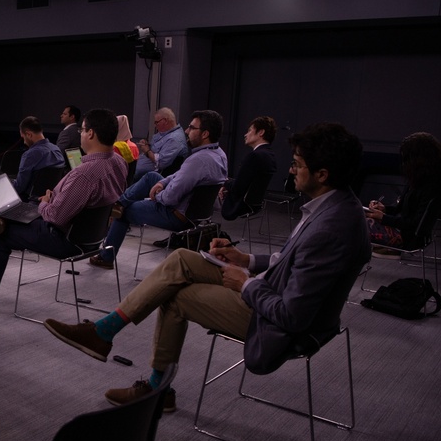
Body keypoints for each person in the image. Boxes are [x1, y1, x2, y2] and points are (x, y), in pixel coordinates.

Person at [43, 122, 371, 411]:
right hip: (274, 290)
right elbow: (292, 263)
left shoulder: (330, 229)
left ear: (323, 175)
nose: (291, 170)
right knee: (182, 260)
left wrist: (245, 283)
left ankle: (154, 385)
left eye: (298, 165)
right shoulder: (337, 207)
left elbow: (293, 315)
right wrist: (247, 260)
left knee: (175, 296)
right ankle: (105, 332)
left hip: (279, 322)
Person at [0, 108, 128, 313]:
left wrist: (45, 202)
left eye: (82, 130)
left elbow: (55, 217)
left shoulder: (84, 174)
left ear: (91, 134)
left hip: (66, 240)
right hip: (94, 240)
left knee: (2, 232)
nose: (80, 134)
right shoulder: (119, 163)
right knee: (14, 219)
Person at [90, 109, 228, 269]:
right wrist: (162, 183)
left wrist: (156, 196)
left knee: (123, 213)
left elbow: (170, 198)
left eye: (192, 128)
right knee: (152, 177)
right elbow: (179, 175)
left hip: (177, 215)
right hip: (196, 215)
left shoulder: (198, 160)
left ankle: (106, 257)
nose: (187, 131)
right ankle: (119, 202)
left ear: (205, 134)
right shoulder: (219, 154)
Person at [365, 131, 441, 255]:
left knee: (354, 225)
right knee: (358, 218)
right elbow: (402, 211)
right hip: (399, 229)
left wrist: (383, 218)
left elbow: (414, 224)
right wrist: (384, 209)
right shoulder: (416, 179)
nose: (404, 163)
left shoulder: (430, 188)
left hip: (406, 237)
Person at [220, 116, 278, 221]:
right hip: (255, 204)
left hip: (240, 205)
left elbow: (238, 187)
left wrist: (224, 182)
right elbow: (245, 182)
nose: (245, 134)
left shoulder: (255, 156)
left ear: (261, 132)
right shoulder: (270, 155)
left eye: (250, 130)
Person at [132, 107, 188, 182]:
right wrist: (146, 144)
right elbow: (155, 148)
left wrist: (147, 151)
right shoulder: (165, 133)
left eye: (156, 122)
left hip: (148, 178)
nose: (155, 125)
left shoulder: (174, 139)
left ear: (165, 121)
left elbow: (160, 162)